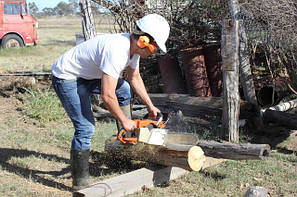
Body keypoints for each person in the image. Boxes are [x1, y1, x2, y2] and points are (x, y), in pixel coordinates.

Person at [51, 13, 170, 191]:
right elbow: (107, 96)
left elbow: (134, 77)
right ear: (143, 41)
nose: (154, 53)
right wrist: (124, 119)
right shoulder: (117, 50)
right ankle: (80, 183)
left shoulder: (133, 50)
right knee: (85, 128)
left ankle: (124, 147)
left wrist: (150, 106)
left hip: (88, 75)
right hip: (67, 77)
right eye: (154, 48)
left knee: (124, 89)